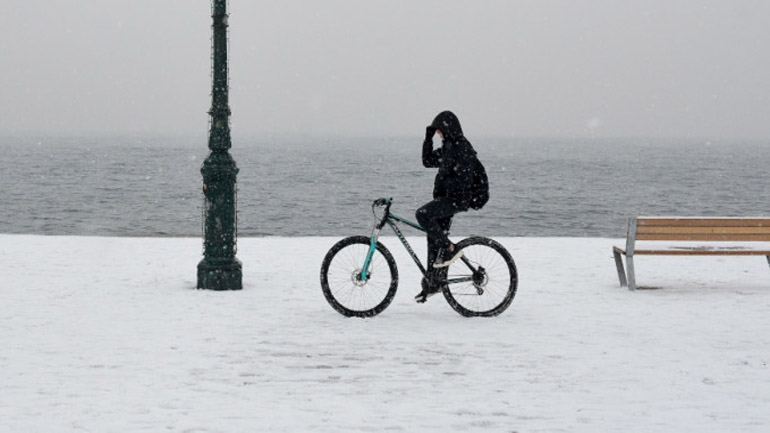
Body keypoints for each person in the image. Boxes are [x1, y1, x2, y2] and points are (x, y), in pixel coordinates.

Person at [414, 110, 479, 303]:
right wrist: (428, 139)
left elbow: (464, 179)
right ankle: (433, 282)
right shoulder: (448, 147)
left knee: (422, 215)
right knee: (433, 238)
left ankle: (451, 249)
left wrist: (446, 184)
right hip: (445, 200)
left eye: (440, 130)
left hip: (455, 200)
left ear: (448, 128)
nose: (439, 134)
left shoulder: (462, 147)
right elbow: (427, 162)